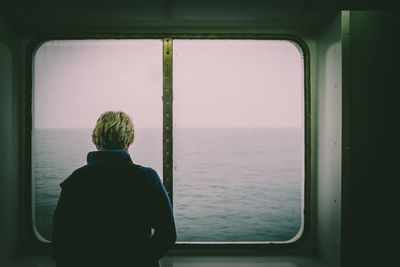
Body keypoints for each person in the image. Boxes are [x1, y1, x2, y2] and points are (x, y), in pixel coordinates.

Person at [51, 111, 176, 267]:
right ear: (129, 142)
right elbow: (167, 235)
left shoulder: (76, 180)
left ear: (96, 142)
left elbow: (59, 243)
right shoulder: (147, 178)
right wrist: (141, 260)